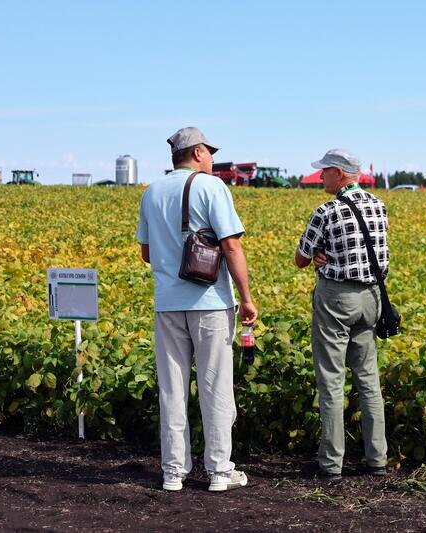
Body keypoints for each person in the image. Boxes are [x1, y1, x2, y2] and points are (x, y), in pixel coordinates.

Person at [136, 127, 258, 492]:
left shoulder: (152, 192)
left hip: (167, 305)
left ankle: (173, 472)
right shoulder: (212, 187)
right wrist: (246, 297)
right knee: (215, 386)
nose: (212, 159)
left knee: (172, 389)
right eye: (210, 152)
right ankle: (219, 471)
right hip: (210, 303)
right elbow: (231, 247)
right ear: (199, 152)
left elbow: (146, 253)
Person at [295, 148, 389, 479]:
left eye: (325, 171)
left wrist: (319, 255)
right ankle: (377, 459)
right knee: (368, 379)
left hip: (337, 299)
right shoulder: (379, 206)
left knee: (332, 380)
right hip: (371, 299)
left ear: (339, 173)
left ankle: (331, 463)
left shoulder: (327, 211)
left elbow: (300, 258)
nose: (321, 176)